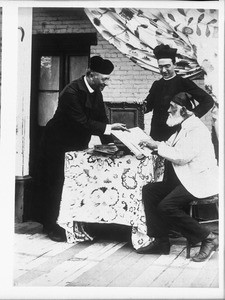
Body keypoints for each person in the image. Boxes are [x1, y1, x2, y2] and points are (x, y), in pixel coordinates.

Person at [34, 56, 129, 242]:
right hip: (56, 144)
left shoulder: (96, 91)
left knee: (73, 183)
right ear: (91, 75)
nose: (107, 83)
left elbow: (102, 119)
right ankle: (54, 228)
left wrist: (109, 145)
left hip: (76, 144)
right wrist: (109, 129)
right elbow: (81, 122)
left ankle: (72, 222)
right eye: (104, 79)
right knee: (57, 184)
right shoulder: (71, 91)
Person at [137, 92, 219, 262]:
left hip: (200, 180)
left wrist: (157, 147)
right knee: (150, 190)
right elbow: (167, 145)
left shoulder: (196, 130)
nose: (168, 110)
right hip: (187, 178)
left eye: (172, 108)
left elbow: (182, 156)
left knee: (166, 206)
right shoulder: (183, 127)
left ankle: (208, 237)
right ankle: (161, 241)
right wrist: (148, 145)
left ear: (184, 110)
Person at [144, 44, 215, 142]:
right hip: (157, 133)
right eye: (160, 67)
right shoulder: (157, 85)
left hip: (178, 133)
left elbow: (208, 100)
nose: (163, 70)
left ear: (174, 64)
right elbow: (147, 106)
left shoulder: (184, 83)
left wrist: (191, 115)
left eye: (167, 66)